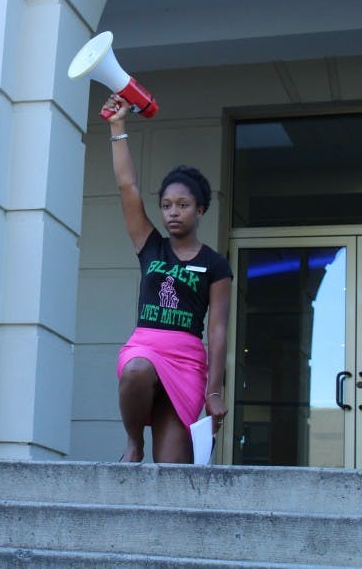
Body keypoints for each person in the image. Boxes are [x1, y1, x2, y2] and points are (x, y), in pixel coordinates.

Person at [103, 94, 232, 463]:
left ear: (200, 210)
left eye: (183, 205)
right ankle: (134, 444)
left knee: (171, 470)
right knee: (136, 370)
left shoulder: (215, 264)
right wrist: (117, 126)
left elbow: (218, 330)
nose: (173, 212)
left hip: (187, 363)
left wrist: (214, 391)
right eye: (166, 205)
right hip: (145, 347)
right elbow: (127, 187)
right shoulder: (151, 246)